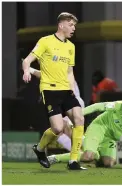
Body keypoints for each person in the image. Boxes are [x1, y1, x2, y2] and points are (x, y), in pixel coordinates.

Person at [22, 12, 85, 170]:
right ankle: (39, 149)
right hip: (50, 90)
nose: (73, 29)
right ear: (61, 25)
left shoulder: (71, 47)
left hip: (66, 91)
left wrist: (72, 91)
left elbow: (70, 72)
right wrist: (26, 71)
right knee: (57, 128)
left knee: (79, 118)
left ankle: (74, 161)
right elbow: (27, 60)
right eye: (71, 25)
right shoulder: (45, 41)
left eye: (74, 26)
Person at [47, 93, 122, 168]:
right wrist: (79, 116)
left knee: (109, 163)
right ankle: (55, 158)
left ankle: (92, 152)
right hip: (99, 127)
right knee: (88, 156)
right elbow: (98, 106)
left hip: (110, 139)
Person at [29, 67, 84, 152]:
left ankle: (82, 152)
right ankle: (82, 152)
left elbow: (42, 74)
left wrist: (29, 69)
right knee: (63, 129)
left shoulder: (57, 69)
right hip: (68, 102)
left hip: (71, 102)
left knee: (65, 129)